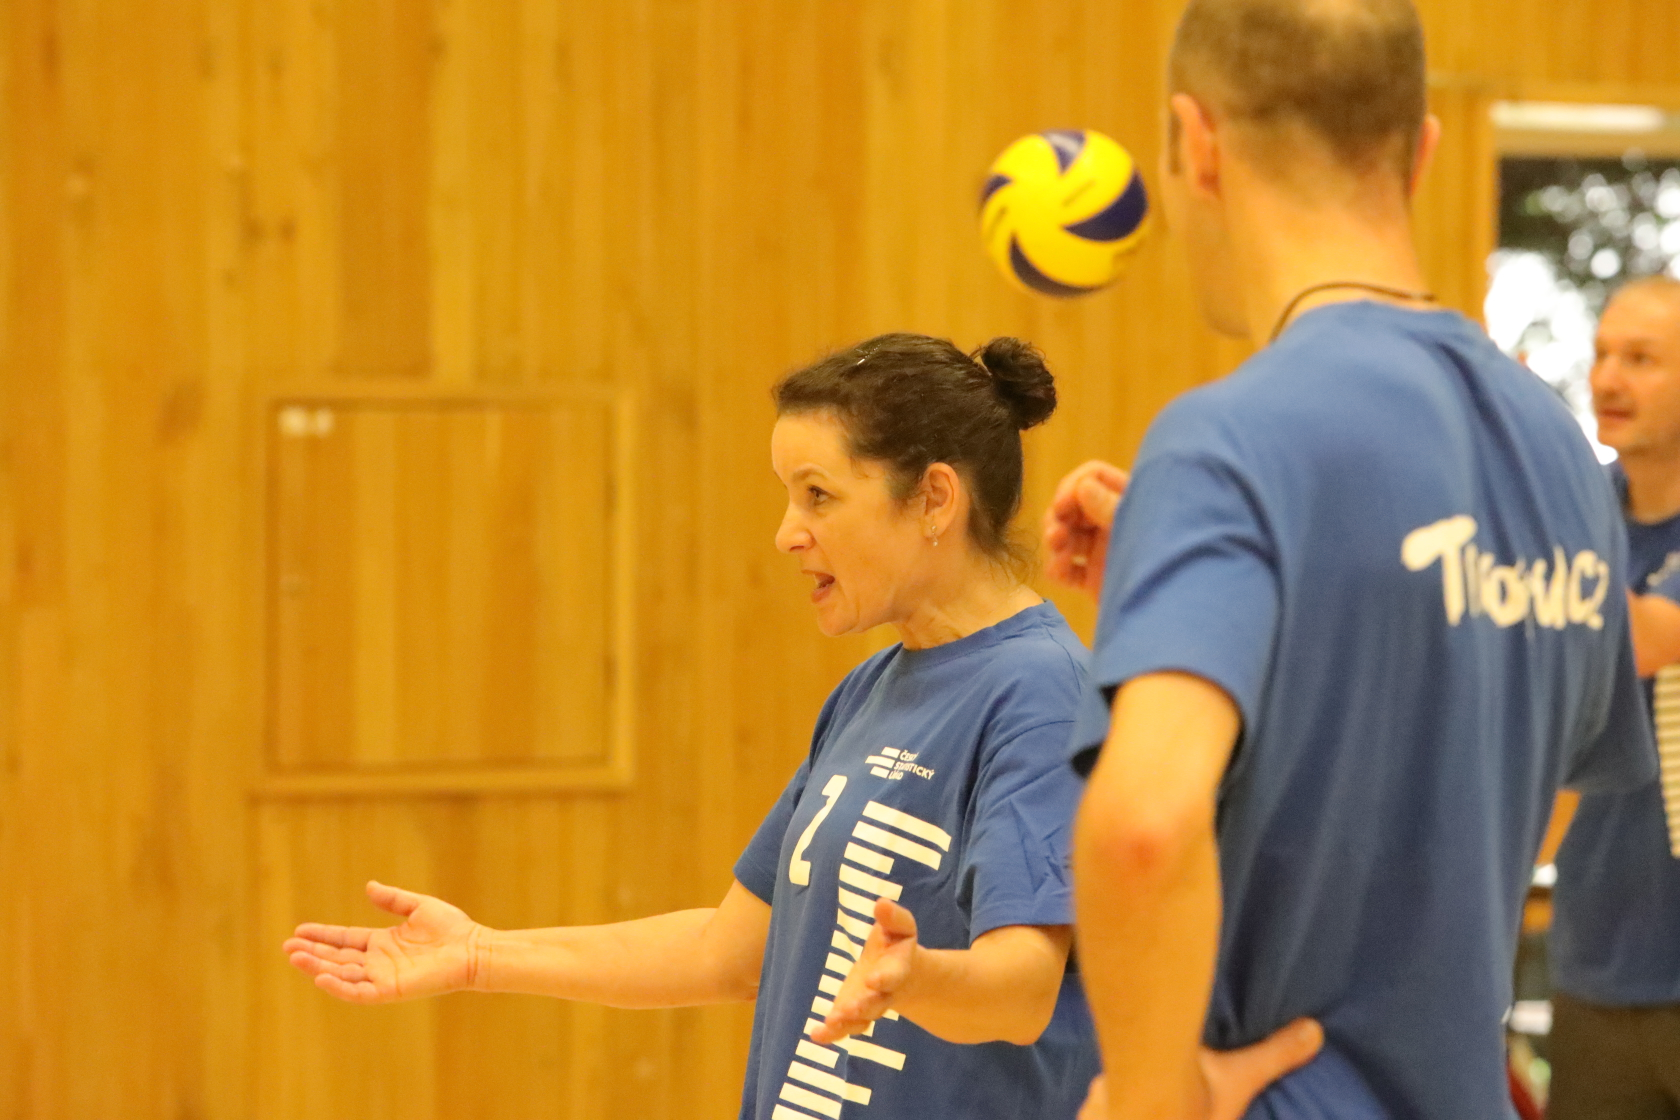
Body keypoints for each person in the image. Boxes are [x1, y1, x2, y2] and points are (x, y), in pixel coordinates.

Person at [1042, 1, 1659, 1118]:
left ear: (1197, 144)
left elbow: (1141, 826)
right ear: (1421, 149)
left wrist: (1150, 1096)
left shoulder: (1227, 441)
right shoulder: (1562, 457)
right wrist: (1201, 591)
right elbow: (1506, 778)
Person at [288, 332, 1108, 1120]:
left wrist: (916, 978)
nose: (787, 533)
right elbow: (729, 952)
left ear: (933, 498)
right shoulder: (869, 691)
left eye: (819, 495)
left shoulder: (1039, 692)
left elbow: (1021, 992)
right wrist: (480, 954)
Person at [1548, 275, 1680, 1119]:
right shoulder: (1573, 513)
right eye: (1600, 355)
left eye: (1641, 359)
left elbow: (1650, 637)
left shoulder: (1553, 532)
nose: (1606, 380)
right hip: (1597, 959)